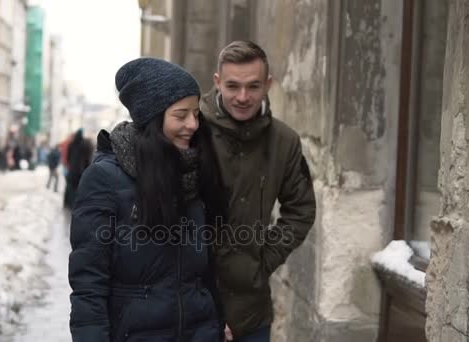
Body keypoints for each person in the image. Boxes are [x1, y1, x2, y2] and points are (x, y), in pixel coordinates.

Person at [68, 57, 226, 341]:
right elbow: (89, 284)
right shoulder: (104, 179)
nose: (192, 124)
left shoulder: (195, 169)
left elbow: (206, 272)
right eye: (180, 115)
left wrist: (218, 321)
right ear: (152, 119)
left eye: (195, 113)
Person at [200, 40, 317, 341]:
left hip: (251, 313)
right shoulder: (192, 129)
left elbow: (300, 209)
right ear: (217, 82)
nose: (242, 97)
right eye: (233, 86)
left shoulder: (285, 141)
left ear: (268, 84)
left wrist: (262, 262)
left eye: (253, 87)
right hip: (194, 304)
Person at [63, 129, 93, 209]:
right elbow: (87, 159)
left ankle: (68, 203)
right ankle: (76, 204)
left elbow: (68, 157)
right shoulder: (84, 145)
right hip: (80, 171)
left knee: (70, 187)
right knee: (78, 188)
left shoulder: (71, 144)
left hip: (72, 170)